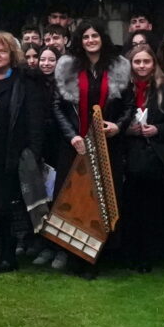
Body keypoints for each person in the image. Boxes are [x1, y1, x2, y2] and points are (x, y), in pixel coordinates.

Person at [46, 19, 132, 268]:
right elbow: (57, 106)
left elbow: (129, 105)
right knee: (74, 201)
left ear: (102, 38)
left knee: (103, 201)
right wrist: (72, 136)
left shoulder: (119, 66)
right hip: (75, 145)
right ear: (80, 41)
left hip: (107, 146)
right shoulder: (67, 67)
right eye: (86, 37)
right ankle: (73, 255)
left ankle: (102, 256)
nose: (91, 40)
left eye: (95, 36)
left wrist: (118, 126)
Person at [0, 33, 45, 273]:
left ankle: (10, 254)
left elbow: (35, 121)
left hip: (14, 153)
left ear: (12, 54)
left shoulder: (24, 82)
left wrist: (33, 153)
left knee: (12, 206)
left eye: (2, 51)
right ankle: (2, 252)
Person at [112, 43, 164, 273]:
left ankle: (147, 255)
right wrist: (126, 130)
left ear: (154, 64)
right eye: (137, 62)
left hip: (153, 158)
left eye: (146, 61)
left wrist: (157, 129)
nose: (141, 66)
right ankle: (127, 253)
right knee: (128, 207)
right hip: (126, 155)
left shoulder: (163, 91)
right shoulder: (121, 88)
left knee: (150, 208)